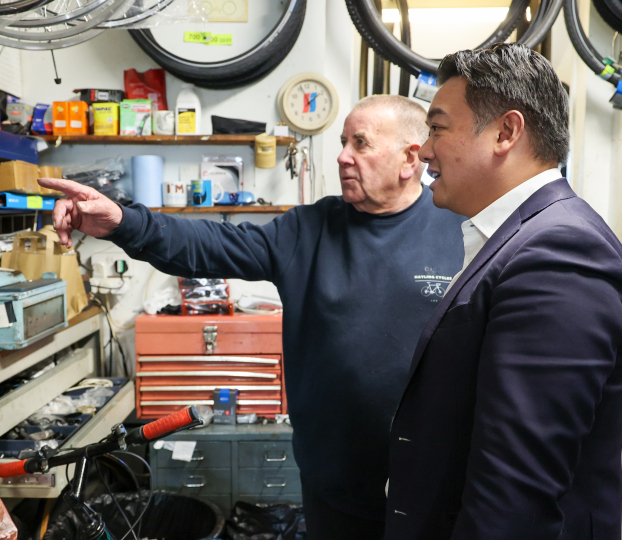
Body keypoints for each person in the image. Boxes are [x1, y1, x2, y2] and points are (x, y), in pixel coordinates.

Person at [40, 95, 464, 539]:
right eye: (342, 142)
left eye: (361, 143)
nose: (342, 156)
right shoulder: (308, 229)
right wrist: (123, 222)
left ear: (409, 159)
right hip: (333, 485)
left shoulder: (460, 231)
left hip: (429, 484)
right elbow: (210, 245)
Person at [384, 43, 622, 540]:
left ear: (505, 132)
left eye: (437, 128)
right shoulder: (518, 237)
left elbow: (515, 496)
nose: (424, 150)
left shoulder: (559, 252)